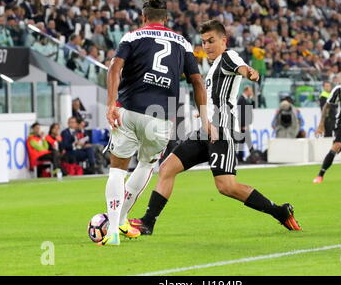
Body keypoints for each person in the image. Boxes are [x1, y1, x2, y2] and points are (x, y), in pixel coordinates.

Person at [129, 20, 301, 236]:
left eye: (211, 41)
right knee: (166, 168)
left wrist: (250, 73)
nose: (207, 46)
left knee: (226, 186)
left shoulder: (228, 57)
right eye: (203, 42)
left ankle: (279, 212)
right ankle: (148, 223)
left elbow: (242, 68)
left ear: (223, 40)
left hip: (221, 131)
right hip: (204, 131)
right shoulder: (213, 67)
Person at [99, 0, 212, 246]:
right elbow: (197, 81)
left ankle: (113, 231)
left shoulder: (131, 37)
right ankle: (122, 220)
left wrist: (110, 104)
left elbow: (114, 68)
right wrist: (205, 118)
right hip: (161, 116)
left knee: (117, 170)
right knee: (146, 165)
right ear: (166, 19)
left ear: (144, 17)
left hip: (128, 110)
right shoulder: (182, 42)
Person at [237, 85, 255, 162]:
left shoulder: (244, 99)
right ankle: (254, 156)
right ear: (247, 90)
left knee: (243, 141)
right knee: (248, 141)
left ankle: (240, 157)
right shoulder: (241, 99)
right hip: (244, 125)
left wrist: (251, 99)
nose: (251, 92)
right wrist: (243, 125)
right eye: (250, 91)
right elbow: (241, 113)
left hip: (245, 124)